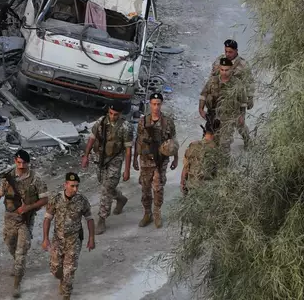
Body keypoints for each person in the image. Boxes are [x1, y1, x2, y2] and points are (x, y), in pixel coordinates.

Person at [0, 149, 48, 298]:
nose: (21, 166)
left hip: (25, 220)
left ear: (28, 163)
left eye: (24, 163)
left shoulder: (36, 178)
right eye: (19, 162)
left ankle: (17, 284)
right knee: (10, 244)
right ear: (15, 161)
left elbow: (45, 199)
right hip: (9, 218)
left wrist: (29, 207)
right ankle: (17, 263)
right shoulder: (7, 179)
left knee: (21, 251)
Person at [81, 104, 133, 234]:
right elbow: (92, 139)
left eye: (115, 114)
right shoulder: (101, 122)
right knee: (104, 184)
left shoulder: (125, 127)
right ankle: (120, 198)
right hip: (101, 158)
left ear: (120, 114)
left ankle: (102, 219)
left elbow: (128, 150)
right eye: (110, 113)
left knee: (106, 189)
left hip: (115, 160)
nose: (112, 116)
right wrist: (86, 156)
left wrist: (127, 170)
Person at [42, 172, 95, 300]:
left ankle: (66, 294)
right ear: (65, 185)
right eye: (72, 186)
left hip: (74, 240)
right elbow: (47, 218)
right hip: (58, 240)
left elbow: (89, 219)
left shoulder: (82, 200)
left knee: (69, 270)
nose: (75, 189)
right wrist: (45, 238)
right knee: (56, 269)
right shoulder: (56, 199)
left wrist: (91, 238)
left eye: (77, 186)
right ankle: (62, 280)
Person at [133, 92, 179, 228]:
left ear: (161, 104)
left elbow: (173, 141)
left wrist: (175, 158)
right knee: (145, 187)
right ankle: (147, 213)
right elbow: (138, 141)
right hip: (146, 159)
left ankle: (157, 212)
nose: (156, 107)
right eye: (154, 104)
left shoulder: (168, 122)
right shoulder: (143, 121)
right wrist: (135, 158)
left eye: (158, 104)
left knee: (158, 187)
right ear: (150, 104)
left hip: (161, 159)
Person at [199, 57, 249, 156]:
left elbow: (243, 102)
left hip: (230, 117)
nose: (224, 72)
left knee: (225, 144)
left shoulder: (237, 84)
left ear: (231, 69)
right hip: (214, 115)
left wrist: (242, 115)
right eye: (222, 70)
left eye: (227, 70)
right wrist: (201, 109)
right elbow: (203, 95)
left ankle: (225, 165)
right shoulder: (212, 81)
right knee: (208, 142)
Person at [210, 39, 253, 148]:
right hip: (222, 98)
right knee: (219, 121)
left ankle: (247, 139)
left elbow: (249, 82)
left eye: (230, 52)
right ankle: (220, 144)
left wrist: (250, 98)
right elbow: (212, 76)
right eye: (226, 51)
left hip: (238, 99)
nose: (228, 54)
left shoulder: (243, 65)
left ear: (236, 51)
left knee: (240, 122)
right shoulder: (220, 60)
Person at [181, 119, 222, 195]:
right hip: (206, 193)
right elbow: (218, 175)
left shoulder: (192, 145)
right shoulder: (216, 150)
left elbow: (185, 168)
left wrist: (182, 184)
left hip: (191, 188)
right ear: (217, 132)